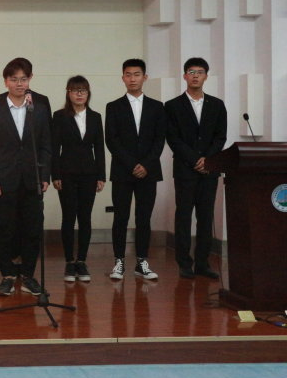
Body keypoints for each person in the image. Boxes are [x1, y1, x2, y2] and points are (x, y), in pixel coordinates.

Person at [0, 58, 51, 296]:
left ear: (30, 79)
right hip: (4, 179)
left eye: (23, 79)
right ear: (6, 82)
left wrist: (45, 174)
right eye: (14, 79)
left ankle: (29, 275)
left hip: (33, 178)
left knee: (32, 229)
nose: (19, 84)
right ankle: (8, 275)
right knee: (5, 229)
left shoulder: (38, 108)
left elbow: (46, 145)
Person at [165, 57, 227, 279]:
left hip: (209, 170)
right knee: (183, 216)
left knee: (205, 216)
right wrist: (195, 160)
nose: (195, 76)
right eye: (191, 72)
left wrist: (207, 160)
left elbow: (220, 137)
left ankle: (202, 263)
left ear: (206, 76)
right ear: (185, 76)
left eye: (199, 72)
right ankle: (184, 263)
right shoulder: (172, 106)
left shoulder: (217, 105)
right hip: (185, 170)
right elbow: (173, 138)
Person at [104, 58, 166, 281]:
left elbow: (159, 139)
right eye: (128, 75)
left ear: (144, 77)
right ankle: (119, 261)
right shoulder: (113, 106)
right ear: (123, 78)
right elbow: (111, 140)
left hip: (149, 171)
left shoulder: (157, 107)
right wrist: (132, 164)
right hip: (123, 171)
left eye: (137, 74)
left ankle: (142, 261)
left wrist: (146, 165)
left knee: (144, 218)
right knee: (120, 217)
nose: (132, 79)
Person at [51, 76, 105, 283]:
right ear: (68, 93)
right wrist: (55, 174)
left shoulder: (95, 117)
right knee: (68, 217)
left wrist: (101, 175)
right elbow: (54, 148)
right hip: (66, 173)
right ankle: (69, 261)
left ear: (88, 93)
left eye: (83, 90)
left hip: (89, 174)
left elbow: (99, 148)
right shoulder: (59, 116)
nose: (80, 94)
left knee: (85, 217)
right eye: (75, 90)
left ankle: (81, 260)